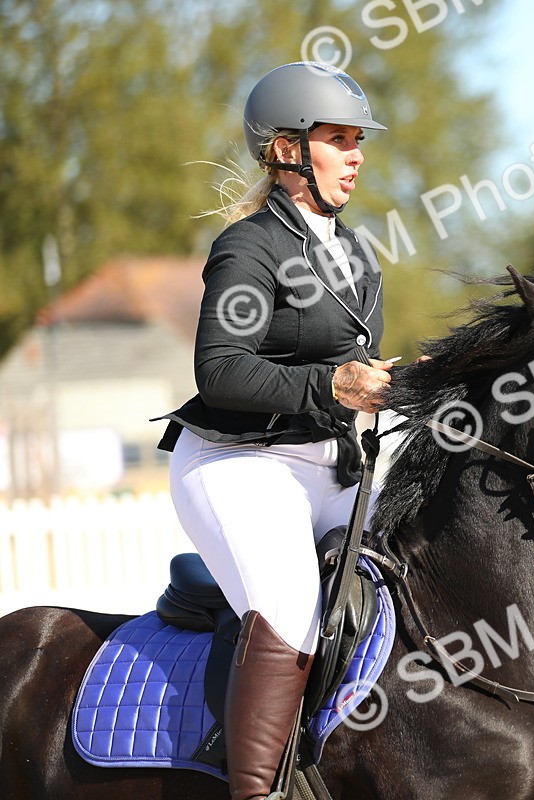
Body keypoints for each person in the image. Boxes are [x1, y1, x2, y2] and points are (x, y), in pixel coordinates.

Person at [154, 62, 393, 800]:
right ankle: (257, 792)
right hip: (238, 465)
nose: (355, 155)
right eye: (338, 139)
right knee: (292, 610)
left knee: (407, 583)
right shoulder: (249, 246)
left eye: (358, 141)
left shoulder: (358, 253)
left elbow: (352, 369)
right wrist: (332, 386)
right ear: (287, 149)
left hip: (330, 465)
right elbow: (221, 370)